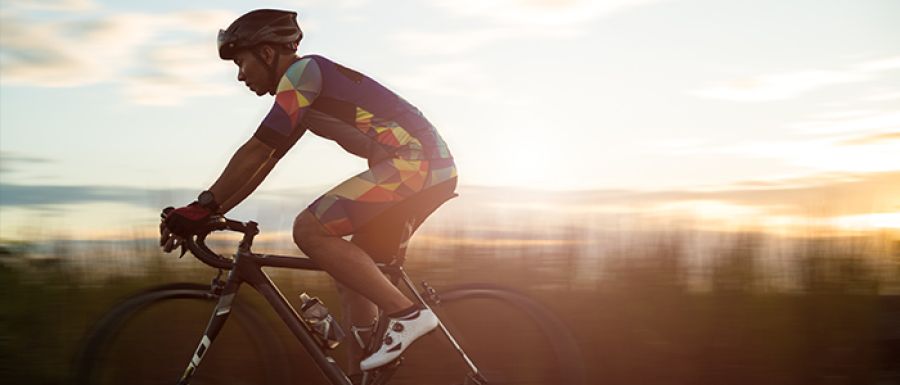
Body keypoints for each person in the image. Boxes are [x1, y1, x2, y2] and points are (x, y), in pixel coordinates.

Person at [158, 8, 457, 375]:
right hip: (424, 167)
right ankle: (367, 372)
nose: (240, 75)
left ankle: (407, 314)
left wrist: (203, 205)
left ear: (267, 53)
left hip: (417, 164)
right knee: (352, 279)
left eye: (241, 62)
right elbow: (264, 161)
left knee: (309, 229)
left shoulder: (303, 74)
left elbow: (256, 148)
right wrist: (208, 211)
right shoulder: (305, 89)